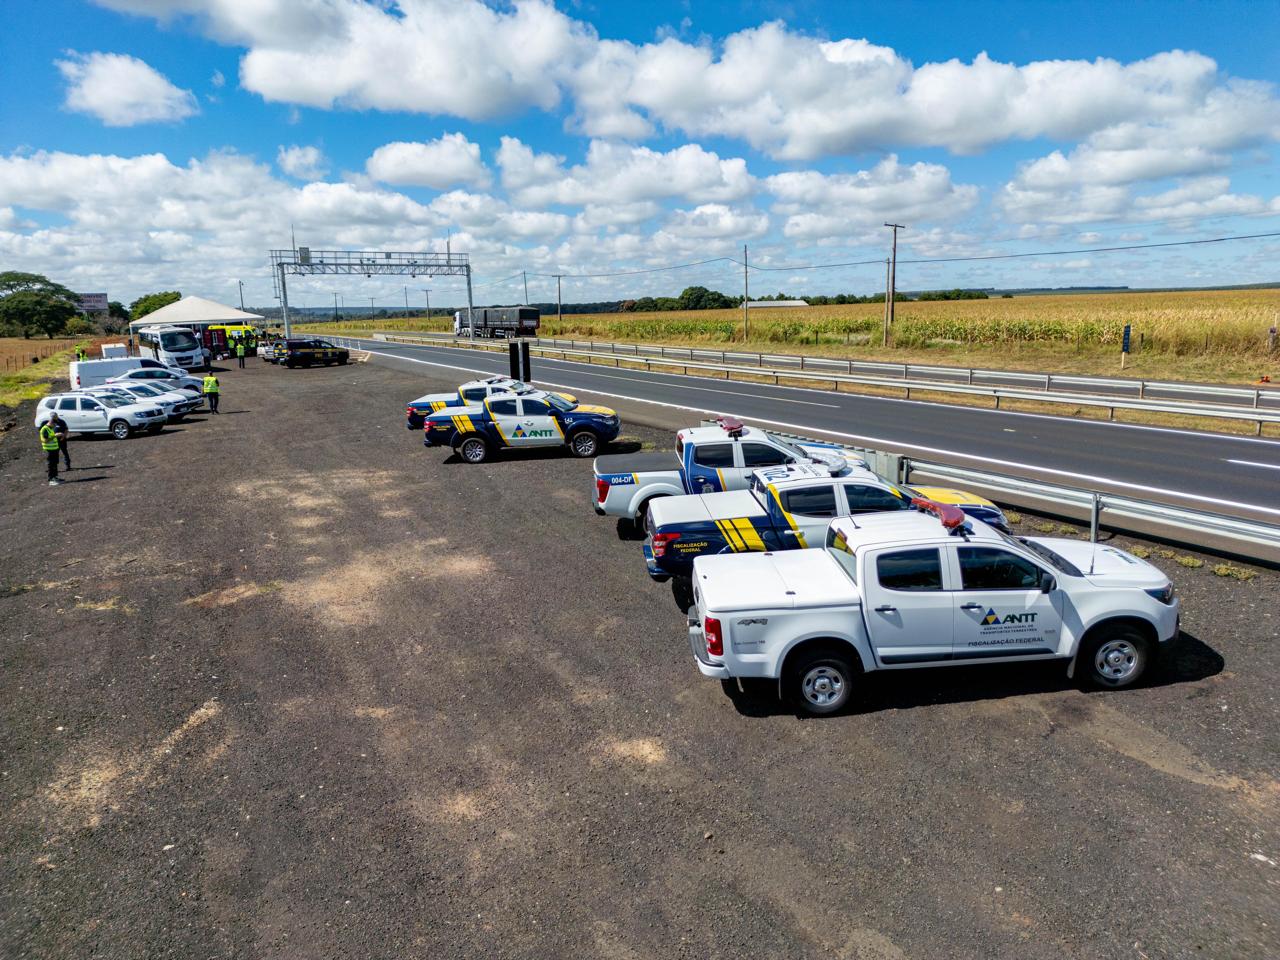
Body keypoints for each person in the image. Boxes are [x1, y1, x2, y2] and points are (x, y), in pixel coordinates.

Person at [40, 418, 66, 486]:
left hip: (54, 449)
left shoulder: (50, 428)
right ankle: (51, 479)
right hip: (49, 450)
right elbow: (45, 440)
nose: (55, 426)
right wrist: (55, 435)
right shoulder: (45, 429)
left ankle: (55, 477)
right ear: (52, 423)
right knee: (51, 465)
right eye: (55, 425)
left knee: (55, 464)